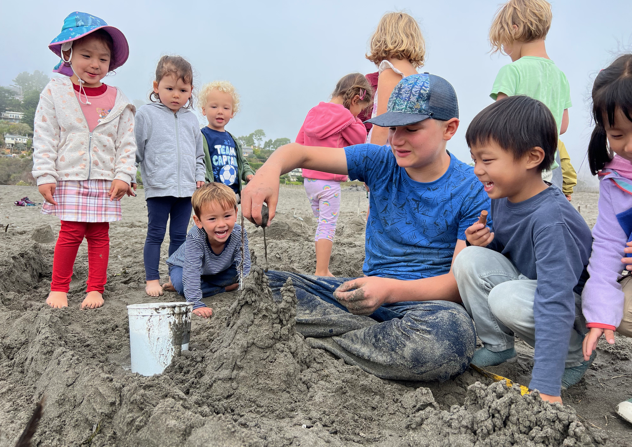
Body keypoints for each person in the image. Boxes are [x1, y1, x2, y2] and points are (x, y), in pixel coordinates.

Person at [242, 74, 490, 382]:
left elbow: (456, 283)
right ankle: (368, 340)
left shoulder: (472, 188)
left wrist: (388, 290)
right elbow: (301, 152)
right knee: (264, 286)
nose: (396, 140)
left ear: (449, 128)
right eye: (392, 128)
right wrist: (270, 170)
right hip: (362, 298)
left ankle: (325, 343)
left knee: (450, 339)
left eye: (411, 129)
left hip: (428, 309)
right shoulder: (379, 160)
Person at [454, 96, 593, 405]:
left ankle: (573, 356)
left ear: (532, 157)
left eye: (487, 160)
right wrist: (485, 243)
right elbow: (513, 252)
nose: (477, 170)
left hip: (570, 309)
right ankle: (498, 346)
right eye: (474, 159)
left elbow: (556, 299)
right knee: (468, 258)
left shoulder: (552, 219)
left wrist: (546, 385)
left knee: (505, 298)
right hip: (531, 286)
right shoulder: (504, 198)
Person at [32, 11, 136, 310]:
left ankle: (95, 289)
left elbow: (126, 143)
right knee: (70, 233)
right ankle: (59, 288)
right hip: (69, 176)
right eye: (86, 55)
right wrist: (45, 175)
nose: (95, 64)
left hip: (105, 178)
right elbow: (45, 136)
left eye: (103, 58)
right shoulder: (56, 92)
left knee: (100, 235)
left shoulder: (118, 99)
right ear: (68, 53)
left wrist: (124, 175)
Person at [580, 55, 632, 423]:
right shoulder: (615, 178)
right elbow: (609, 245)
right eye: (618, 134)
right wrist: (600, 311)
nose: (629, 145)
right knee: (611, 308)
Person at [135, 56, 206, 297]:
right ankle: (152, 279)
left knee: (179, 236)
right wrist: (128, 175)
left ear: (190, 91)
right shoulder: (146, 115)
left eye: (183, 90)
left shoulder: (192, 119)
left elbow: (198, 155)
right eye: (169, 88)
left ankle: (174, 278)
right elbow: (136, 150)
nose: (176, 95)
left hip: (186, 190)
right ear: (156, 87)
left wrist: (198, 175)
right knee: (155, 234)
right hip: (158, 187)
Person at [489, 0, 571, 190]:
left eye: (503, 42)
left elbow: (498, 124)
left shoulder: (512, 71)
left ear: (514, 30)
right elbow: (562, 126)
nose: (505, 50)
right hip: (547, 170)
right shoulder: (560, 75)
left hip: (517, 167)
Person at [295, 73, 371, 276]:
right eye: (361, 109)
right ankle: (321, 270)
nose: (360, 114)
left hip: (309, 181)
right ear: (355, 99)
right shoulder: (346, 118)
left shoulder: (313, 112)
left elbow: (299, 143)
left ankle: (323, 266)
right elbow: (360, 140)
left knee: (322, 224)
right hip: (329, 182)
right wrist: (355, 120)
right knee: (327, 226)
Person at [165, 183, 250, 318]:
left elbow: (244, 265)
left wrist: (248, 292)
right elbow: (191, 271)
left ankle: (208, 286)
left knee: (241, 272)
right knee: (182, 284)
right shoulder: (196, 236)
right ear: (198, 221)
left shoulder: (239, 233)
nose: (221, 224)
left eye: (227, 216)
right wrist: (196, 304)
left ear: (235, 213)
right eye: (212, 219)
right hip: (184, 267)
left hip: (217, 270)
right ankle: (222, 288)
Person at [365, 12, 425, 146]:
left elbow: (382, 124)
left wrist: (371, 156)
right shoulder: (417, 76)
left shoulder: (391, 72)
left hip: (388, 150)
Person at [198, 81, 255, 195]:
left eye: (226, 108)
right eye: (214, 107)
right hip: (211, 195)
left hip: (233, 195)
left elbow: (242, 163)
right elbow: (198, 162)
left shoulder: (233, 140)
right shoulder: (201, 136)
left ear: (232, 112)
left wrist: (248, 174)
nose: (220, 111)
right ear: (204, 110)